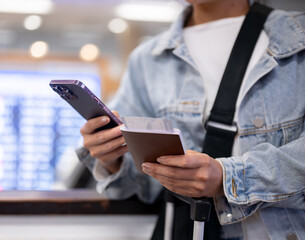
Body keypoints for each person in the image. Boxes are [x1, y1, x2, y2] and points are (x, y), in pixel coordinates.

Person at [76, 0, 305, 239]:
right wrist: (111, 160)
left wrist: (227, 177)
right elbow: (142, 186)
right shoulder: (148, 59)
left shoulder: (297, 38)